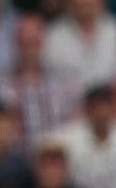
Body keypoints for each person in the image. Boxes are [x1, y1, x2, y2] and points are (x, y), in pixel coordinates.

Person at [1, 14, 80, 150]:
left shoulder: (65, 81)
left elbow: (76, 125)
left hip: (58, 158)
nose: (30, 49)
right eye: (25, 42)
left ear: (43, 42)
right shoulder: (3, 83)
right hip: (17, 162)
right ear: (16, 43)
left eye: (34, 42)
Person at [44, 0, 116, 90]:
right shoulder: (53, 34)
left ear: (101, 2)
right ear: (70, 5)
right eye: (80, 5)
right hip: (69, 102)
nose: (85, 10)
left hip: (108, 102)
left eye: (89, 4)